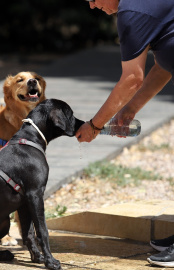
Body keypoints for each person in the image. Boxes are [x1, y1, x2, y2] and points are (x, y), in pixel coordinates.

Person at [78, 0, 174, 267]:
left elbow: (132, 78)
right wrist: (131, 108)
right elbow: (164, 66)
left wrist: (95, 125)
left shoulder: (132, 12)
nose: (93, 6)